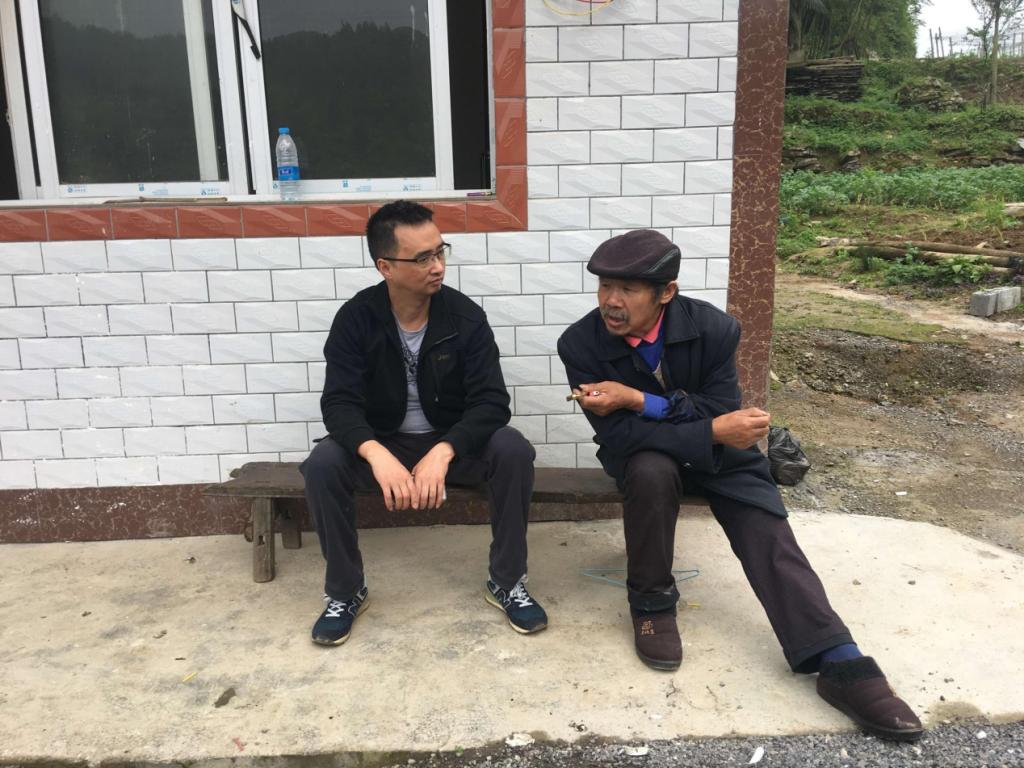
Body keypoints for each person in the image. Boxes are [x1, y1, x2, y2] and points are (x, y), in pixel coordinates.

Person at [556, 229, 923, 742]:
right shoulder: (580, 343)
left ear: (666, 292)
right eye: (604, 287)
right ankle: (652, 604)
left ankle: (837, 656)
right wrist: (706, 428)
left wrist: (639, 400)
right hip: (648, 455)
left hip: (723, 456)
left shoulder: (714, 328)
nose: (611, 302)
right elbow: (619, 435)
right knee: (649, 471)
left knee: (765, 528)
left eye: (628, 289)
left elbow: (721, 409)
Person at [300, 200, 547, 646]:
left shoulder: (464, 317)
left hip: (451, 446)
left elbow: (492, 402)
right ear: (385, 267)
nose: (437, 267)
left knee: (512, 449)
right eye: (421, 258)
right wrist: (375, 453)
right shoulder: (356, 319)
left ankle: (507, 581)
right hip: (384, 443)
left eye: (440, 252)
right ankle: (345, 590)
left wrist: (445, 450)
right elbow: (338, 404)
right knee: (322, 464)